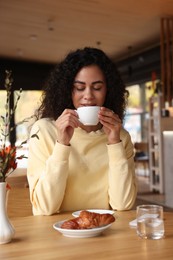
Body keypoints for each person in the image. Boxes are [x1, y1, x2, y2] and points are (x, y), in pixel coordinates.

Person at [27, 47, 137, 216]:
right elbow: (44, 208)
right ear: (68, 90)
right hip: (55, 235)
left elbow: (123, 204)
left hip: (105, 234)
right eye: (79, 87)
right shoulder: (44, 131)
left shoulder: (120, 136)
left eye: (97, 87)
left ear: (108, 91)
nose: (88, 96)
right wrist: (62, 144)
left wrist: (115, 143)